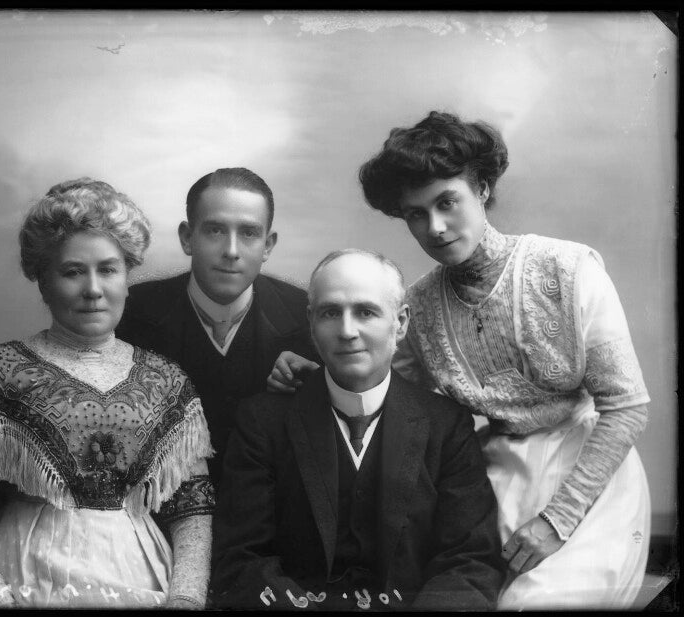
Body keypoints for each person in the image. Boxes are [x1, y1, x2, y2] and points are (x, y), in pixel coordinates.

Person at [271, 111, 652, 609]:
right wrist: (317, 375)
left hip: (591, 478)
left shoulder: (568, 269)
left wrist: (556, 521)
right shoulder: (420, 306)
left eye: (447, 202)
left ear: (483, 189)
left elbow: (627, 408)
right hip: (493, 477)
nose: (435, 227)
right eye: (415, 214)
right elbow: (386, 387)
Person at [0, 178, 214, 608]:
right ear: (43, 281)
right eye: (73, 271)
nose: (93, 289)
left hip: (141, 574)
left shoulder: (167, 381)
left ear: (127, 276)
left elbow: (191, 510)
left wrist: (186, 599)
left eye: (108, 270)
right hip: (22, 576)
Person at [212, 249, 505, 611]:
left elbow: (470, 559)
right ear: (311, 322)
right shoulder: (263, 422)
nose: (347, 331)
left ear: (401, 322)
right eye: (330, 313)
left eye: (366, 312)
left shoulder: (447, 426)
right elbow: (240, 559)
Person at [116, 167, 317, 487]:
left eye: (249, 233)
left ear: (268, 245)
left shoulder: (307, 317)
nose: (231, 251)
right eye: (215, 230)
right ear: (187, 237)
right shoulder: (131, 314)